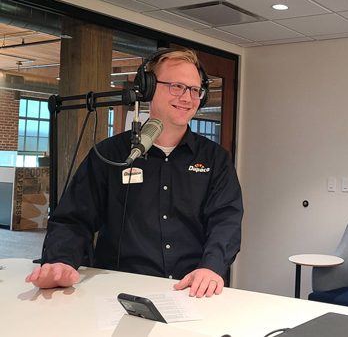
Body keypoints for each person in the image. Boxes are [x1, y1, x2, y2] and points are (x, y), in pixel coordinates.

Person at [25, 49, 243, 298]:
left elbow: (226, 219)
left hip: (192, 290)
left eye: (194, 90)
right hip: (120, 292)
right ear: (147, 89)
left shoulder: (215, 158)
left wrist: (211, 266)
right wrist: (61, 261)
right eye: (177, 86)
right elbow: (74, 219)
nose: (187, 97)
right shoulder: (108, 154)